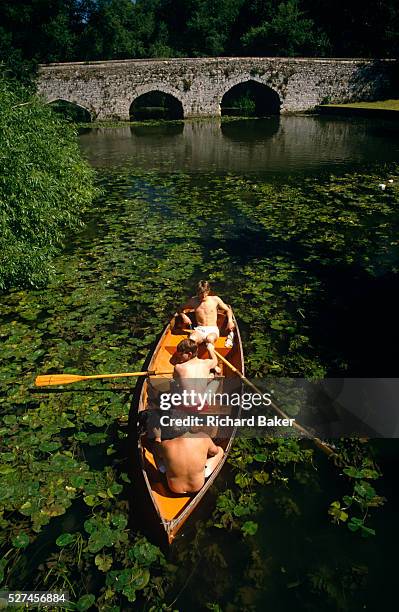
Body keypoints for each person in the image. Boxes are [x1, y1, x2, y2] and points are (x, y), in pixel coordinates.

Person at [152, 409, 224, 495]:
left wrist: (157, 437)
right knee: (220, 450)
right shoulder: (203, 437)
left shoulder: (165, 445)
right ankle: (201, 472)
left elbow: (156, 449)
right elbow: (214, 452)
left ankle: (163, 470)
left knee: (156, 451)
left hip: (174, 488)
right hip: (198, 486)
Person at [175, 280, 235, 346]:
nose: (203, 296)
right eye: (201, 293)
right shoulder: (193, 301)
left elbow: (228, 310)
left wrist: (230, 321)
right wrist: (184, 316)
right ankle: (194, 356)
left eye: (205, 293)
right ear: (197, 292)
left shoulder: (215, 299)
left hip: (212, 329)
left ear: (208, 291)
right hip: (200, 329)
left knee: (210, 339)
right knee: (191, 340)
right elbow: (180, 308)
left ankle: (212, 355)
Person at [173, 338, 221, 409]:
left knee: (173, 382)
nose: (179, 357)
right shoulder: (206, 363)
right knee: (216, 380)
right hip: (202, 406)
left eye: (180, 354)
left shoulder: (178, 367)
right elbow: (215, 361)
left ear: (189, 354)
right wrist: (210, 349)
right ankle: (211, 377)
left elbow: (177, 382)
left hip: (184, 406)